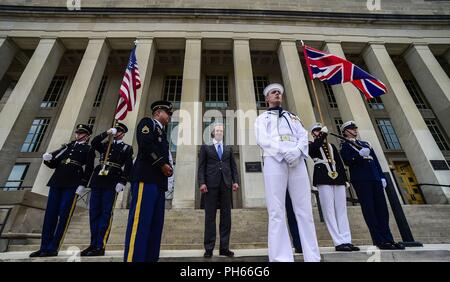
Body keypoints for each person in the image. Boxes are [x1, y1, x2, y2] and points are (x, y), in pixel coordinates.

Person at [254, 83, 320, 262]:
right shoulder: (262, 118)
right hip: (275, 161)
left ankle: (312, 256)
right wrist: (283, 151)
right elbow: (262, 139)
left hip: (297, 161)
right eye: (273, 93)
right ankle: (280, 258)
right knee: (276, 211)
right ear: (267, 98)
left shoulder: (293, 117)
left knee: (304, 210)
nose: (277, 94)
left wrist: (297, 152)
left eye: (279, 93)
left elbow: (303, 136)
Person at [29, 124, 95, 257]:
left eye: (81, 133)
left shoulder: (89, 149)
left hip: (72, 183)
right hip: (57, 182)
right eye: (77, 132)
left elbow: (89, 169)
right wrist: (47, 160)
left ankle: (53, 247)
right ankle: (44, 247)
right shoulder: (67, 147)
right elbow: (55, 163)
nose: (78, 135)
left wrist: (83, 184)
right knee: (50, 215)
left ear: (87, 136)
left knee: (64, 215)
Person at [339, 120, 405, 250]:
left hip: (375, 178)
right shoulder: (344, 145)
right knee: (370, 210)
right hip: (361, 180)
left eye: (355, 128)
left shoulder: (365, 144)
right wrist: (358, 155)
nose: (355, 131)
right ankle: (379, 240)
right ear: (345, 132)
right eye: (351, 129)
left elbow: (376, 162)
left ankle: (388, 239)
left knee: (382, 211)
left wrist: (381, 176)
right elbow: (348, 161)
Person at [124, 101, 174, 262]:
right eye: (168, 113)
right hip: (146, 178)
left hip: (158, 183)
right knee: (141, 222)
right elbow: (145, 145)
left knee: (155, 224)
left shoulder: (162, 132)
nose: (170, 116)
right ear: (158, 112)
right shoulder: (148, 123)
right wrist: (162, 164)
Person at [81, 122, 133, 257]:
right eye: (115, 131)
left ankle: (100, 246)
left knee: (105, 214)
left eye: (118, 131)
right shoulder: (105, 145)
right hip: (98, 181)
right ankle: (92, 244)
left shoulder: (127, 148)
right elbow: (94, 142)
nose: (116, 133)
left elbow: (128, 167)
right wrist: (107, 133)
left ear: (123, 133)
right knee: (94, 213)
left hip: (112, 181)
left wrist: (123, 181)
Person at [309, 123, 359, 252]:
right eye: (316, 131)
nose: (318, 132)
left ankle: (346, 240)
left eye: (320, 130)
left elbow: (340, 163)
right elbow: (315, 147)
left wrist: (345, 179)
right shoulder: (311, 145)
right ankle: (338, 242)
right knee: (329, 211)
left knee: (341, 210)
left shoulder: (332, 146)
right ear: (312, 134)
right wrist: (323, 134)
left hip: (337, 177)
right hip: (323, 177)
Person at [198, 123, 240, 258]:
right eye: (217, 130)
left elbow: (233, 167)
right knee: (210, 217)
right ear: (212, 133)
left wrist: (235, 181)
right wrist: (202, 183)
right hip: (210, 186)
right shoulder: (206, 148)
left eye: (221, 131)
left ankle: (224, 248)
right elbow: (201, 167)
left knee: (226, 217)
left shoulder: (228, 149)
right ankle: (209, 248)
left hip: (226, 185)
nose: (219, 132)